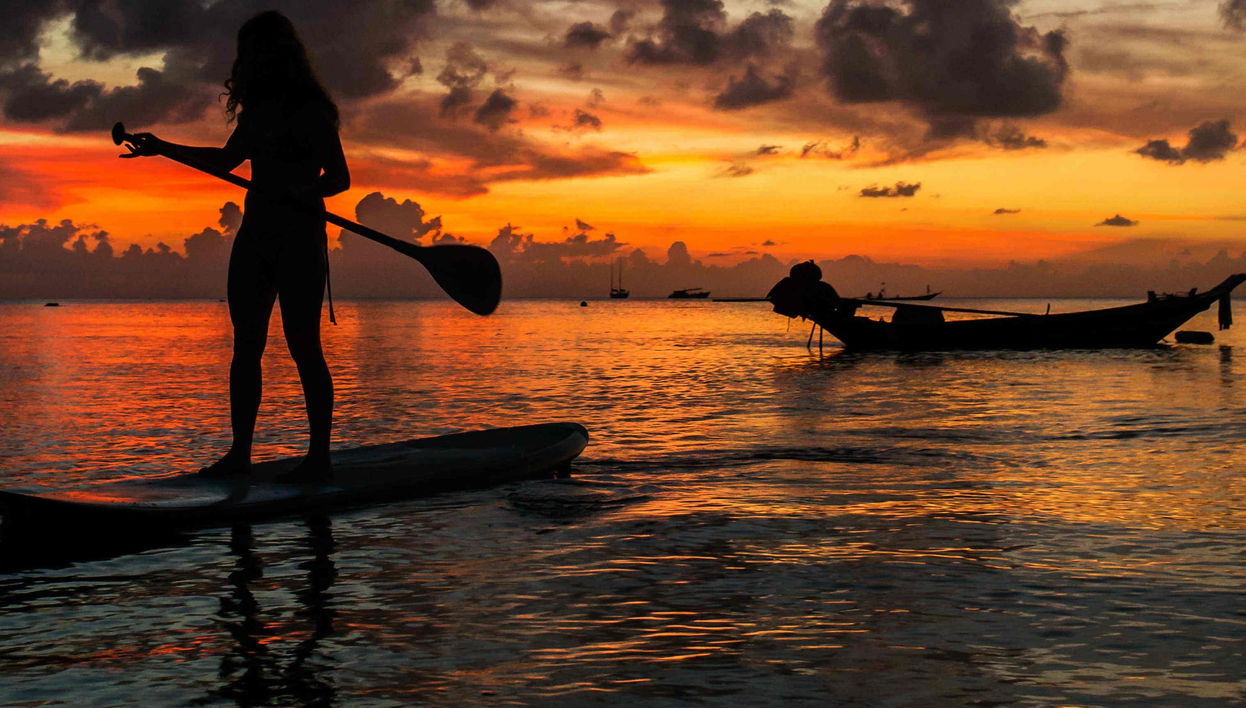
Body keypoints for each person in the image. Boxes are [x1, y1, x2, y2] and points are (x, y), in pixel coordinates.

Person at [122, 11, 349, 482]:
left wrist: (305, 193)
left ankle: (320, 459)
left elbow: (340, 179)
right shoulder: (259, 111)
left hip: (301, 239)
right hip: (256, 235)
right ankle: (240, 454)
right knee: (246, 345)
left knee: (303, 344)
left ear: (276, 53)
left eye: (254, 51)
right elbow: (226, 159)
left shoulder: (312, 109)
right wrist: (163, 147)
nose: (247, 61)